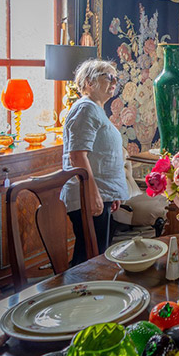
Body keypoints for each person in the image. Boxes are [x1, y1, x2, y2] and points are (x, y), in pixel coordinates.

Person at [62, 59, 129, 265]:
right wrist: (92, 194)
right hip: (87, 193)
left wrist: (111, 194)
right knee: (89, 257)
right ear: (89, 82)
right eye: (108, 77)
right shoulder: (85, 108)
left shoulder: (96, 109)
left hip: (101, 192)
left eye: (115, 79)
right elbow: (77, 156)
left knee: (98, 254)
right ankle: (77, 292)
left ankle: (89, 292)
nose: (114, 82)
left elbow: (102, 155)